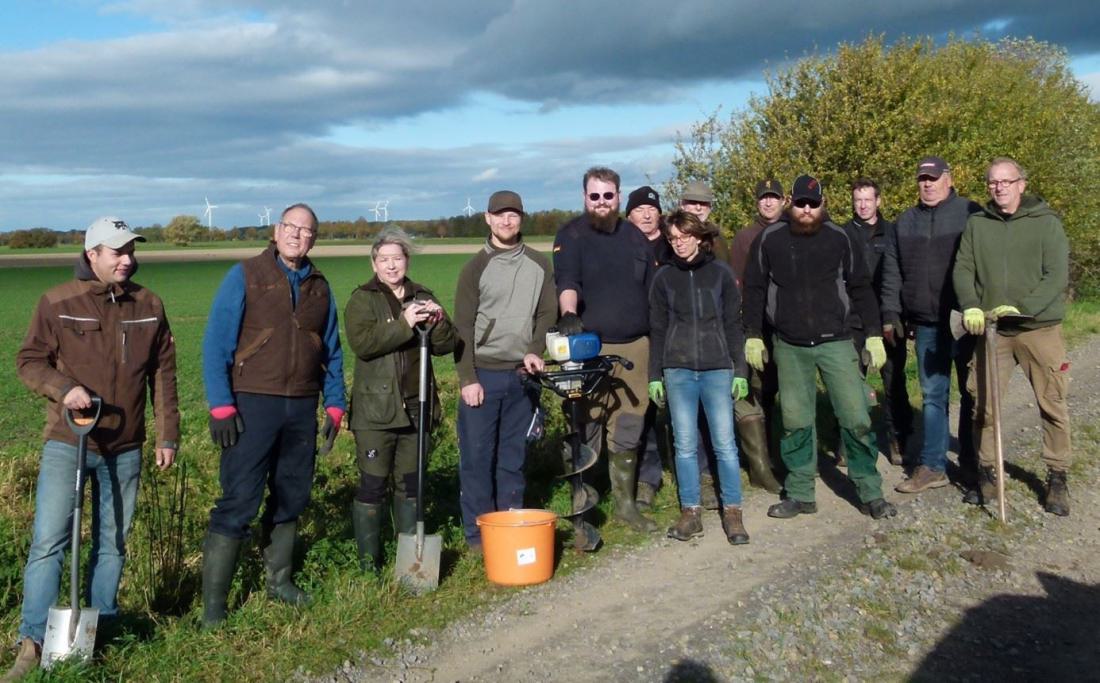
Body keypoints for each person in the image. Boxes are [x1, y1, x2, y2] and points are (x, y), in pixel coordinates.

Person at [10, 217, 179, 677]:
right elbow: (29, 361)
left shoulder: (149, 304)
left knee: (113, 544)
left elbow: (163, 374)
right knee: (49, 542)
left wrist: (167, 435)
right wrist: (64, 389)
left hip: (126, 445)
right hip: (70, 441)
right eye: (117, 252)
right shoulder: (58, 302)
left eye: (131, 251)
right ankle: (33, 640)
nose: (127, 259)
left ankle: (99, 630)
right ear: (92, 255)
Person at [200, 203, 346, 628]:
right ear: (277, 230)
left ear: (314, 239)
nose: (298, 235)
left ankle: (278, 582)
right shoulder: (245, 274)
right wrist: (221, 404)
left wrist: (335, 404)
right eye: (291, 227)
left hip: (300, 405)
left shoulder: (320, 286)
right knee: (239, 500)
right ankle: (214, 609)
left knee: (292, 495)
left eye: (307, 230)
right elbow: (216, 343)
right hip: (252, 404)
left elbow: (332, 350)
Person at [743, 175, 897, 520]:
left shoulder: (840, 237)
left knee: (856, 417)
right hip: (789, 344)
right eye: (801, 203)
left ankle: (870, 491)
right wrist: (752, 334)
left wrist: (873, 333)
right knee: (795, 421)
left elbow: (861, 287)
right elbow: (753, 288)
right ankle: (800, 493)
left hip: (837, 342)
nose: (806, 209)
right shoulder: (770, 239)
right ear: (790, 203)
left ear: (822, 204)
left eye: (813, 204)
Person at [953, 157, 1072, 515]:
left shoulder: (1046, 223)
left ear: (1021, 184)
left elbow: (1055, 275)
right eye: (993, 182)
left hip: (1039, 328)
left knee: (1052, 404)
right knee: (983, 406)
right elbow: (963, 268)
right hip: (993, 331)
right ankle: (987, 473)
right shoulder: (977, 224)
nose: (999, 187)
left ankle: (1057, 476)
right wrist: (971, 305)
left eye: (1006, 181)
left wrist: (1022, 308)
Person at [343, 227, 456, 570]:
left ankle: (408, 562)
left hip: (417, 406)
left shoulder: (422, 294)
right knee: (373, 485)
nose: (391, 265)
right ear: (374, 263)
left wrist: (438, 320)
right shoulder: (362, 299)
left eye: (397, 258)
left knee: (410, 486)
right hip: (375, 410)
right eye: (384, 259)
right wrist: (405, 323)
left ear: (407, 260)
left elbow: (446, 345)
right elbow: (363, 344)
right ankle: (369, 566)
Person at [554, 167, 658, 532]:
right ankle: (583, 503)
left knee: (629, 421)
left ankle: (625, 506)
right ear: (585, 197)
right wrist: (569, 313)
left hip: (637, 346)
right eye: (594, 196)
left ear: (618, 196)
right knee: (587, 420)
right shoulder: (571, 234)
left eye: (608, 195)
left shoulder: (635, 236)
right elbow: (567, 281)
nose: (602, 202)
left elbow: (652, 288)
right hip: (591, 348)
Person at [454, 191, 557, 551]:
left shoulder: (539, 264)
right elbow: (462, 327)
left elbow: (547, 313)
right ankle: (478, 537)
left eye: (513, 215)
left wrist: (534, 350)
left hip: (522, 376)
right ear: (488, 218)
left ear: (521, 219)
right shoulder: (475, 268)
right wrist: (468, 378)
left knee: (513, 459)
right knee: (477, 459)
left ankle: (510, 528)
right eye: (500, 215)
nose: (506, 221)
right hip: (483, 375)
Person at [649, 210, 750, 544]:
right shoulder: (663, 278)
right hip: (677, 370)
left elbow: (734, 324)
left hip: (717, 369)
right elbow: (658, 328)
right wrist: (655, 374)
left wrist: (739, 369)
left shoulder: (721, 274)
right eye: (673, 239)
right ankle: (690, 512)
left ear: (699, 237)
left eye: (685, 237)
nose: (679, 244)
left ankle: (732, 511)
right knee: (685, 445)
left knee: (725, 444)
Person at [881, 157, 981, 494]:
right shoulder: (905, 222)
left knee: (971, 393)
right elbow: (892, 271)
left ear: (948, 179)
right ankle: (933, 466)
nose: (927, 184)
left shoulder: (970, 213)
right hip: (926, 323)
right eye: (922, 178)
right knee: (933, 396)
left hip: (965, 321)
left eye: (933, 178)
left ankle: (971, 462)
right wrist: (891, 313)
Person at [843, 178, 913, 466]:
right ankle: (848, 442)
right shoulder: (842, 234)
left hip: (888, 317)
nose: (862, 205)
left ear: (878, 201)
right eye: (858, 200)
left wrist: (901, 315)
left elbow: (903, 275)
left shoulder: (893, 232)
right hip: (853, 320)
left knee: (893, 382)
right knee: (849, 384)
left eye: (868, 200)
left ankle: (898, 438)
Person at [728, 179, 788, 494]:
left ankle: (784, 454)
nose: (768, 202)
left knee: (783, 393)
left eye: (773, 197)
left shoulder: (793, 230)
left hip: (787, 327)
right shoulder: (745, 237)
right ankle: (762, 463)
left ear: (784, 200)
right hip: (756, 327)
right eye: (763, 198)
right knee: (758, 393)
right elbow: (739, 284)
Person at [625, 185, 671, 508]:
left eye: (651, 209)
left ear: (660, 214)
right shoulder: (621, 248)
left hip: (674, 338)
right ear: (629, 215)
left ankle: (700, 477)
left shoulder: (674, 245)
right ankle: (647, 480)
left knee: (685, 411)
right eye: (639, 209)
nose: (646, 215)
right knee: (644, 413)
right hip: (639, 340)